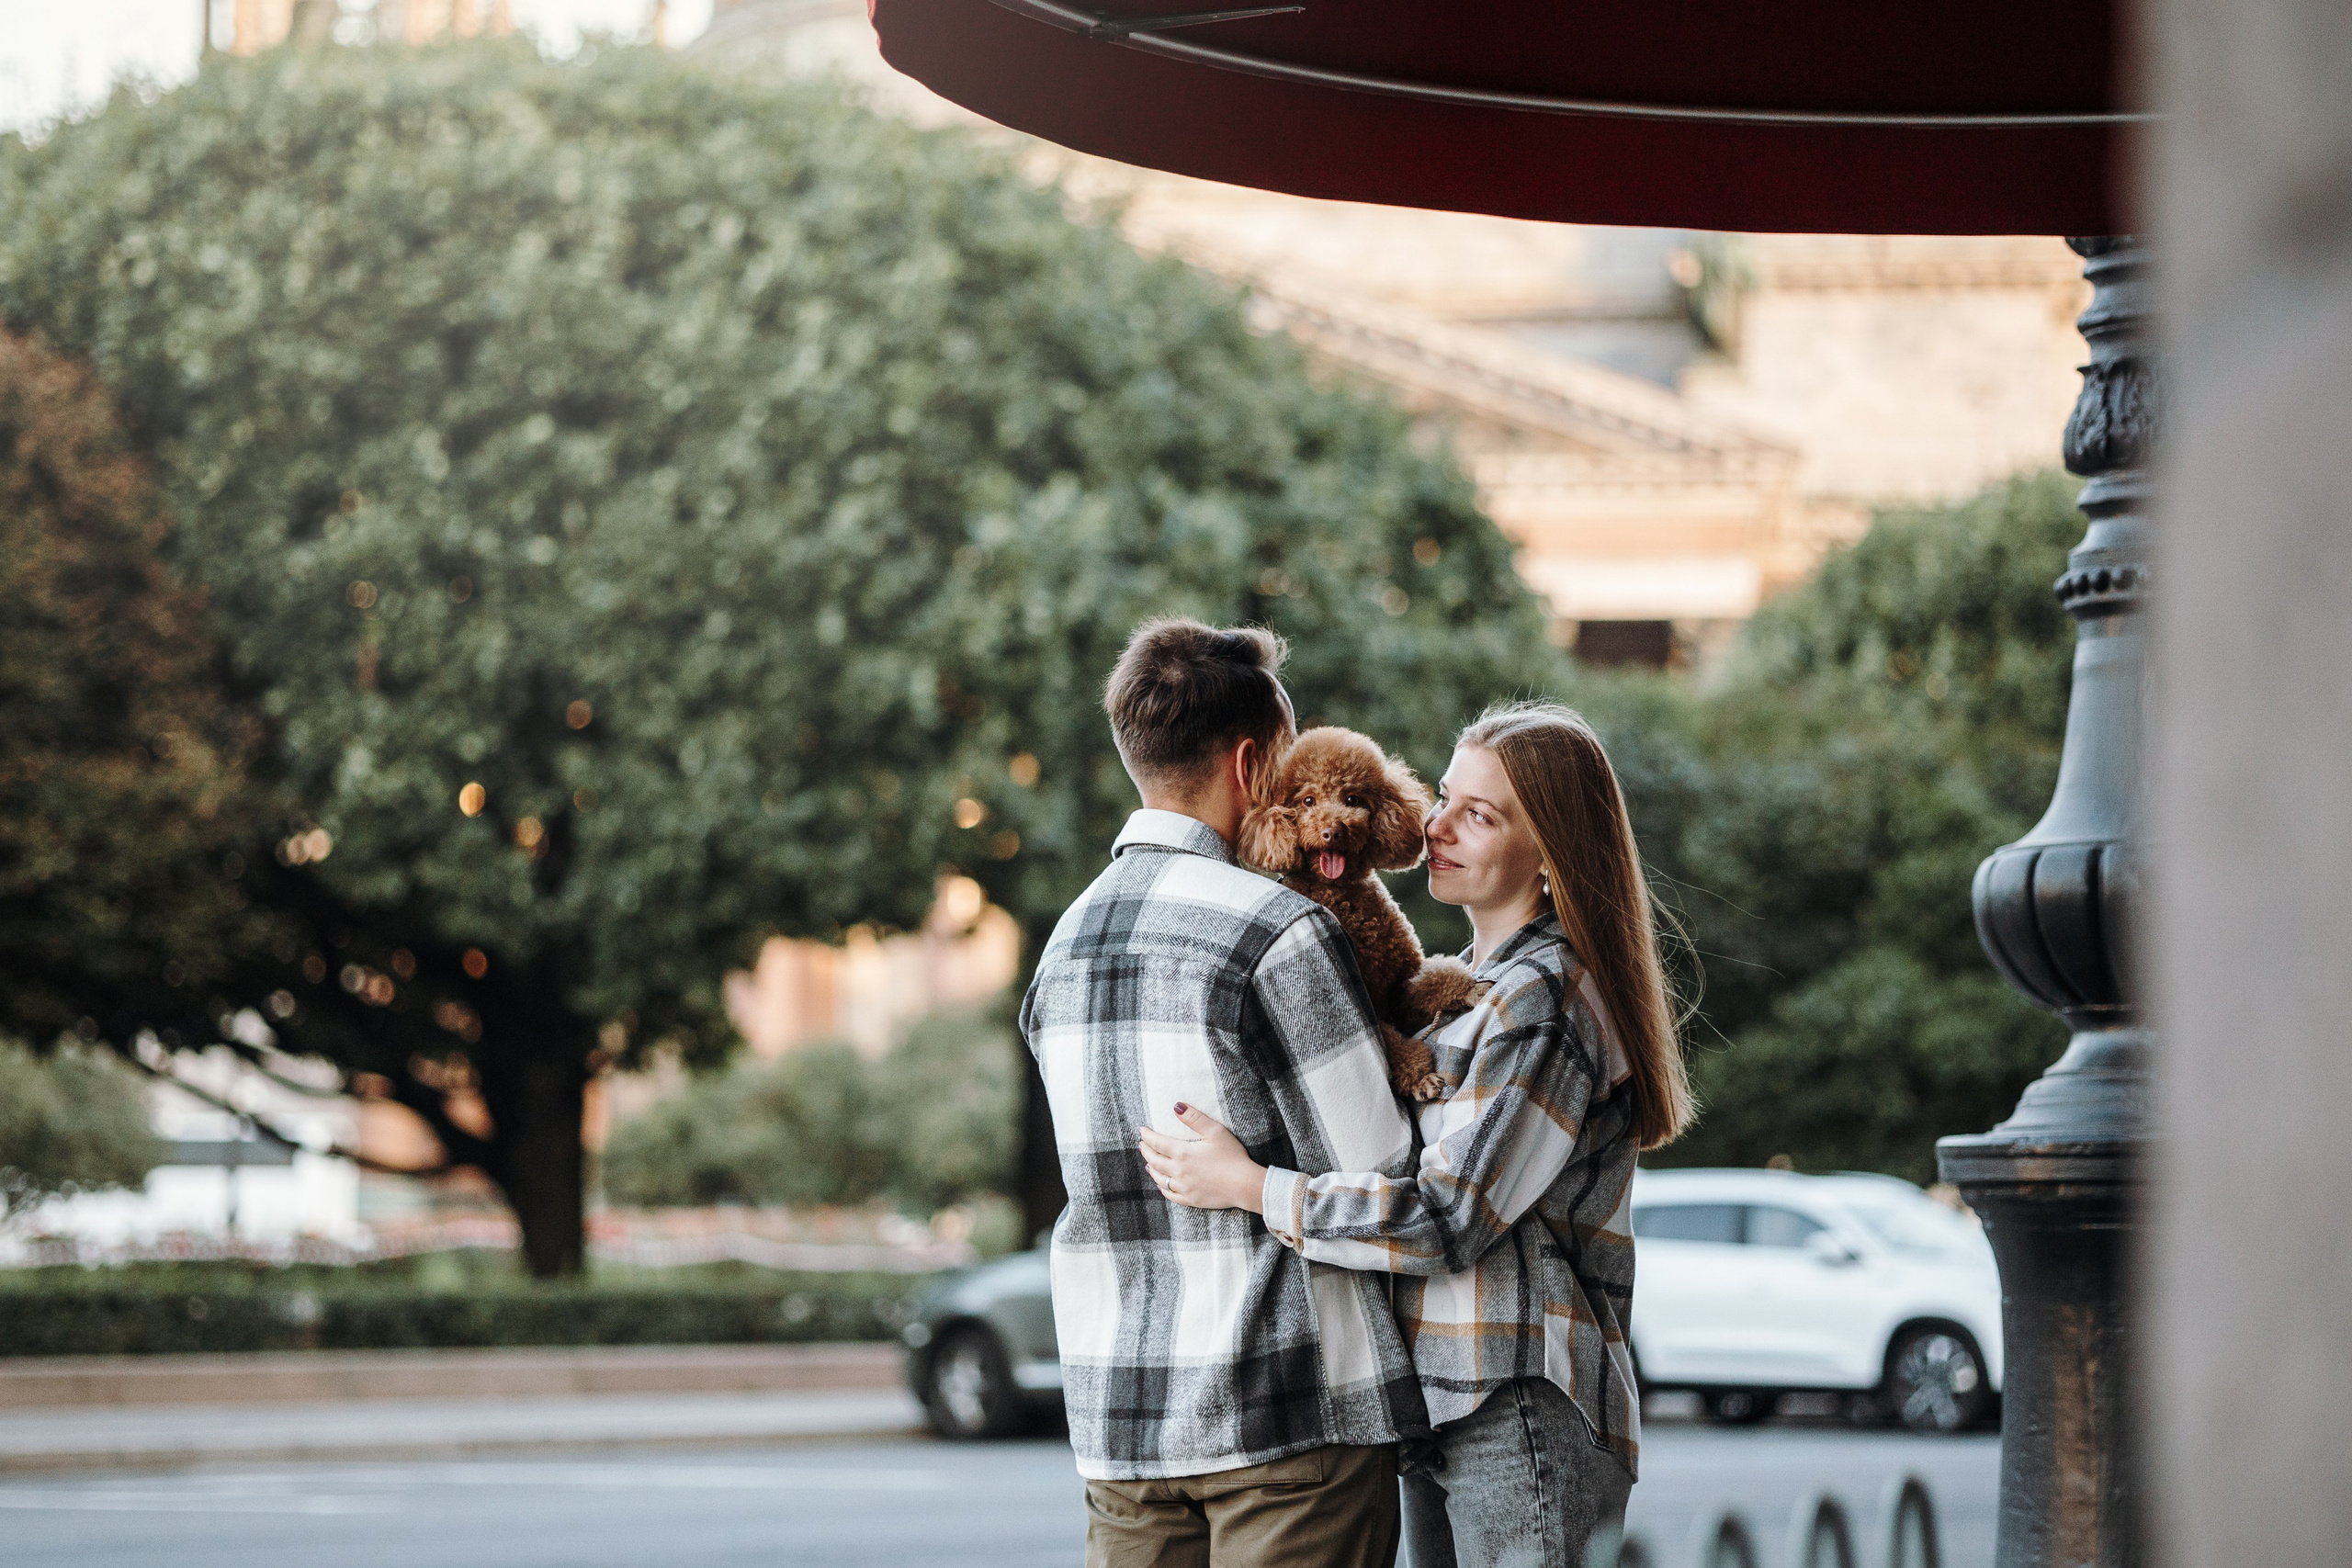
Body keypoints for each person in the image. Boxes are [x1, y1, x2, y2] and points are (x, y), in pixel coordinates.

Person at [1140, 702, 1693, 1568]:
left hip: (1518, 1403)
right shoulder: (1468, 985)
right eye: (1445, 796)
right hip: (1444, 1399)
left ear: (1550, 850)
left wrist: (1251, 1186)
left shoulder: (1540, 1002)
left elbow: (1449, 1215)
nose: (1438, 826)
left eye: (1481, 815)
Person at [1023, 617, 1430, 1568]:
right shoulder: (1277, 930)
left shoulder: (1062, 949)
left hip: (1122, 1430)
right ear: (1252, 763)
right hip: (1289, 1420)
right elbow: (1387, 1189)